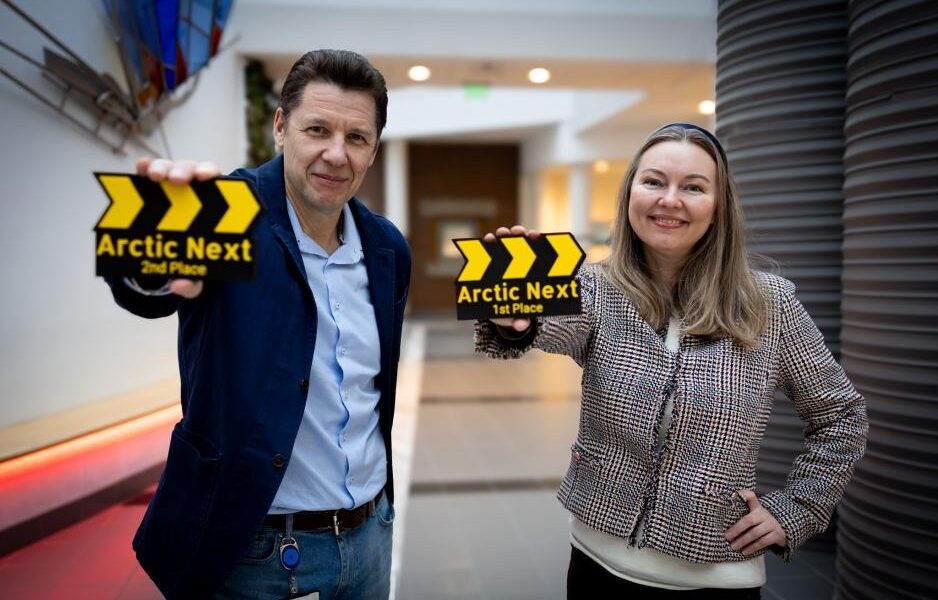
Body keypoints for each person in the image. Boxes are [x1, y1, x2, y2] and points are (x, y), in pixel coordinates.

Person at [475, 123, 867, 598]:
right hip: (598, 564)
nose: (670, 200)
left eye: (694, 187)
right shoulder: (596, 288)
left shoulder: (770, 304)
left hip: (718, 578)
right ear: (630, 194)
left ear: (719, 206)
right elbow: (545, 326)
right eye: (654, 181)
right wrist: (512, 319)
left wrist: (799, 507)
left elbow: (841, 416)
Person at [107, 49, 411, 599]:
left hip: (371, 535)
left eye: (357, 138)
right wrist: (151, 260)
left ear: (373, 149)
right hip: (257, 550)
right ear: (280, 127)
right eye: (317, 129)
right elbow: (145, 287)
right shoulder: (228, 216)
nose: (336, 155)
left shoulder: (387, 247)